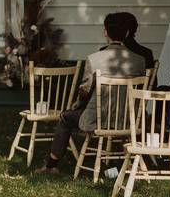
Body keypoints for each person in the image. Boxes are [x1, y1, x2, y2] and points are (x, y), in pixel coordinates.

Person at [36, 13, 146, 173]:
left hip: (99, 120)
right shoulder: (139, 60)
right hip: (128, 120)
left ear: (105, 32)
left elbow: (84, 91)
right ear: (127, 33)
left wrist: (76, 106)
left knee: (65, 117)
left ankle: (51, 165)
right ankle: (127, 161)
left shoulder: (95, 59)